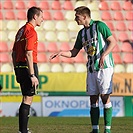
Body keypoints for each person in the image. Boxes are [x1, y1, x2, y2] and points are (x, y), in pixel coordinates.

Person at [50, 6, 116, 133]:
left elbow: (112, 42)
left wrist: (104, 54)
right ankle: (95, 129)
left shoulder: (100, 26)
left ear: (84, 16)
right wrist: (60, 53)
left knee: (105, 96)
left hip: (104, 67)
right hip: (91, 69)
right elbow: (74, 52)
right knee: (93, 98)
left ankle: (107, 130)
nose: (75, 19)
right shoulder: (81, 34)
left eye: (77, 17)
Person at [12, 6, 43, 133]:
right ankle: (23, 131)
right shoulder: (31, 32)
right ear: (35, 17)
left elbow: (13, 53)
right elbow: (29, 53)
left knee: (26, 97)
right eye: (41, 16)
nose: (43, 19)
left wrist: (16, 69)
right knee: (27, 98)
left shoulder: (21, 31)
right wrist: (32, 74)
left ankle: (23, 129)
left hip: (19, 66)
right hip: (27, 66)